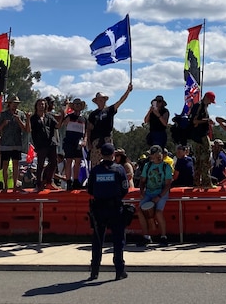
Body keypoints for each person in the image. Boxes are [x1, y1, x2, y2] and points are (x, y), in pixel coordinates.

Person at [86, 142, 129, 281]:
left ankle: (94, 271)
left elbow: (90, 190)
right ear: (113, 155)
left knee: (98, 240)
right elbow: (125, 189)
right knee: (118, 239)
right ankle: (119, 270)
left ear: (102, 155)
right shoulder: (119, 169)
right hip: (115, 207)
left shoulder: (95, 170)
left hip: (99, 207)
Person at [86, 83, 133, 169]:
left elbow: (120, 101)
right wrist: (88, 142)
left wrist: (128, 91)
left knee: (109, 162)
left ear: (105, 100)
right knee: (95, 163)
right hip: (96, 140)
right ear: (96, 101)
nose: (101, 101)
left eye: (102, 99)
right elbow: (89, 129)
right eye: (99, 100)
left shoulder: (109, 110)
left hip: (107, 139)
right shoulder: (93, 114)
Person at [136, 145, 172, 247]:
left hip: (161, 192)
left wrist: (159, 196)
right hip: (149, 192)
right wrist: (142, 191)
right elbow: (142, 181)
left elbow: (168, 184)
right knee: (140, 210)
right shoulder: (147, 166)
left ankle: (163, 236)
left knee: (158, 212)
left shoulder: (166, 167)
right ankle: (146, 236)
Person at [0, 95, 30, 192]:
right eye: (14, 103)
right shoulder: (3, 114)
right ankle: (6, 186)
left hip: (17, 143)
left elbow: (25, 129)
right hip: (5, 144)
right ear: (9, 104)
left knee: (16, 164)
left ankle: (15, 185)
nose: (15, 105)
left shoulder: (21, 114)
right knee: (5, 165)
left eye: (17, 104)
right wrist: (4, 124)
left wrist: (19, 120)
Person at [30, 98, 60, 191]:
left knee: (54, 162)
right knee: (40, 164)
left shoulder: (49, 116)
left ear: (45, 106)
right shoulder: (33, 118)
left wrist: (62, 115)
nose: (41, 106)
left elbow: (57, 126)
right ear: (36, 106)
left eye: (43, 104)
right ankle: (38, 184)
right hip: (40, 144)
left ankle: (48, 181)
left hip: (51, 143)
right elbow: (29, 130)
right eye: (39, 104)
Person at [189, 91, 216, 189]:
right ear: (207, 98)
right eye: (210, 101)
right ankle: (206, 182)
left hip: (198, 137)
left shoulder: (201, 107)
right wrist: (207, 120)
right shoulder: (199, 106)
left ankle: (197, 182)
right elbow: (194, 121)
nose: (210, 103)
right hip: (201, 136)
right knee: (205, 159)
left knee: (199, 160)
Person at [60, 98, 86, 190]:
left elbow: (86, 132)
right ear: (73, 106)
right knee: (69, 161)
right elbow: (62, 122)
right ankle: (68, 181)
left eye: (79, 104)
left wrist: (85, 140)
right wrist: (66, 107)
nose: (77, 105)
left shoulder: (83, 119)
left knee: (78, 161)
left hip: (79, 142)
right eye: (76, 104)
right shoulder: (69, 117)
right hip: (69, 141)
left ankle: (76, 180)